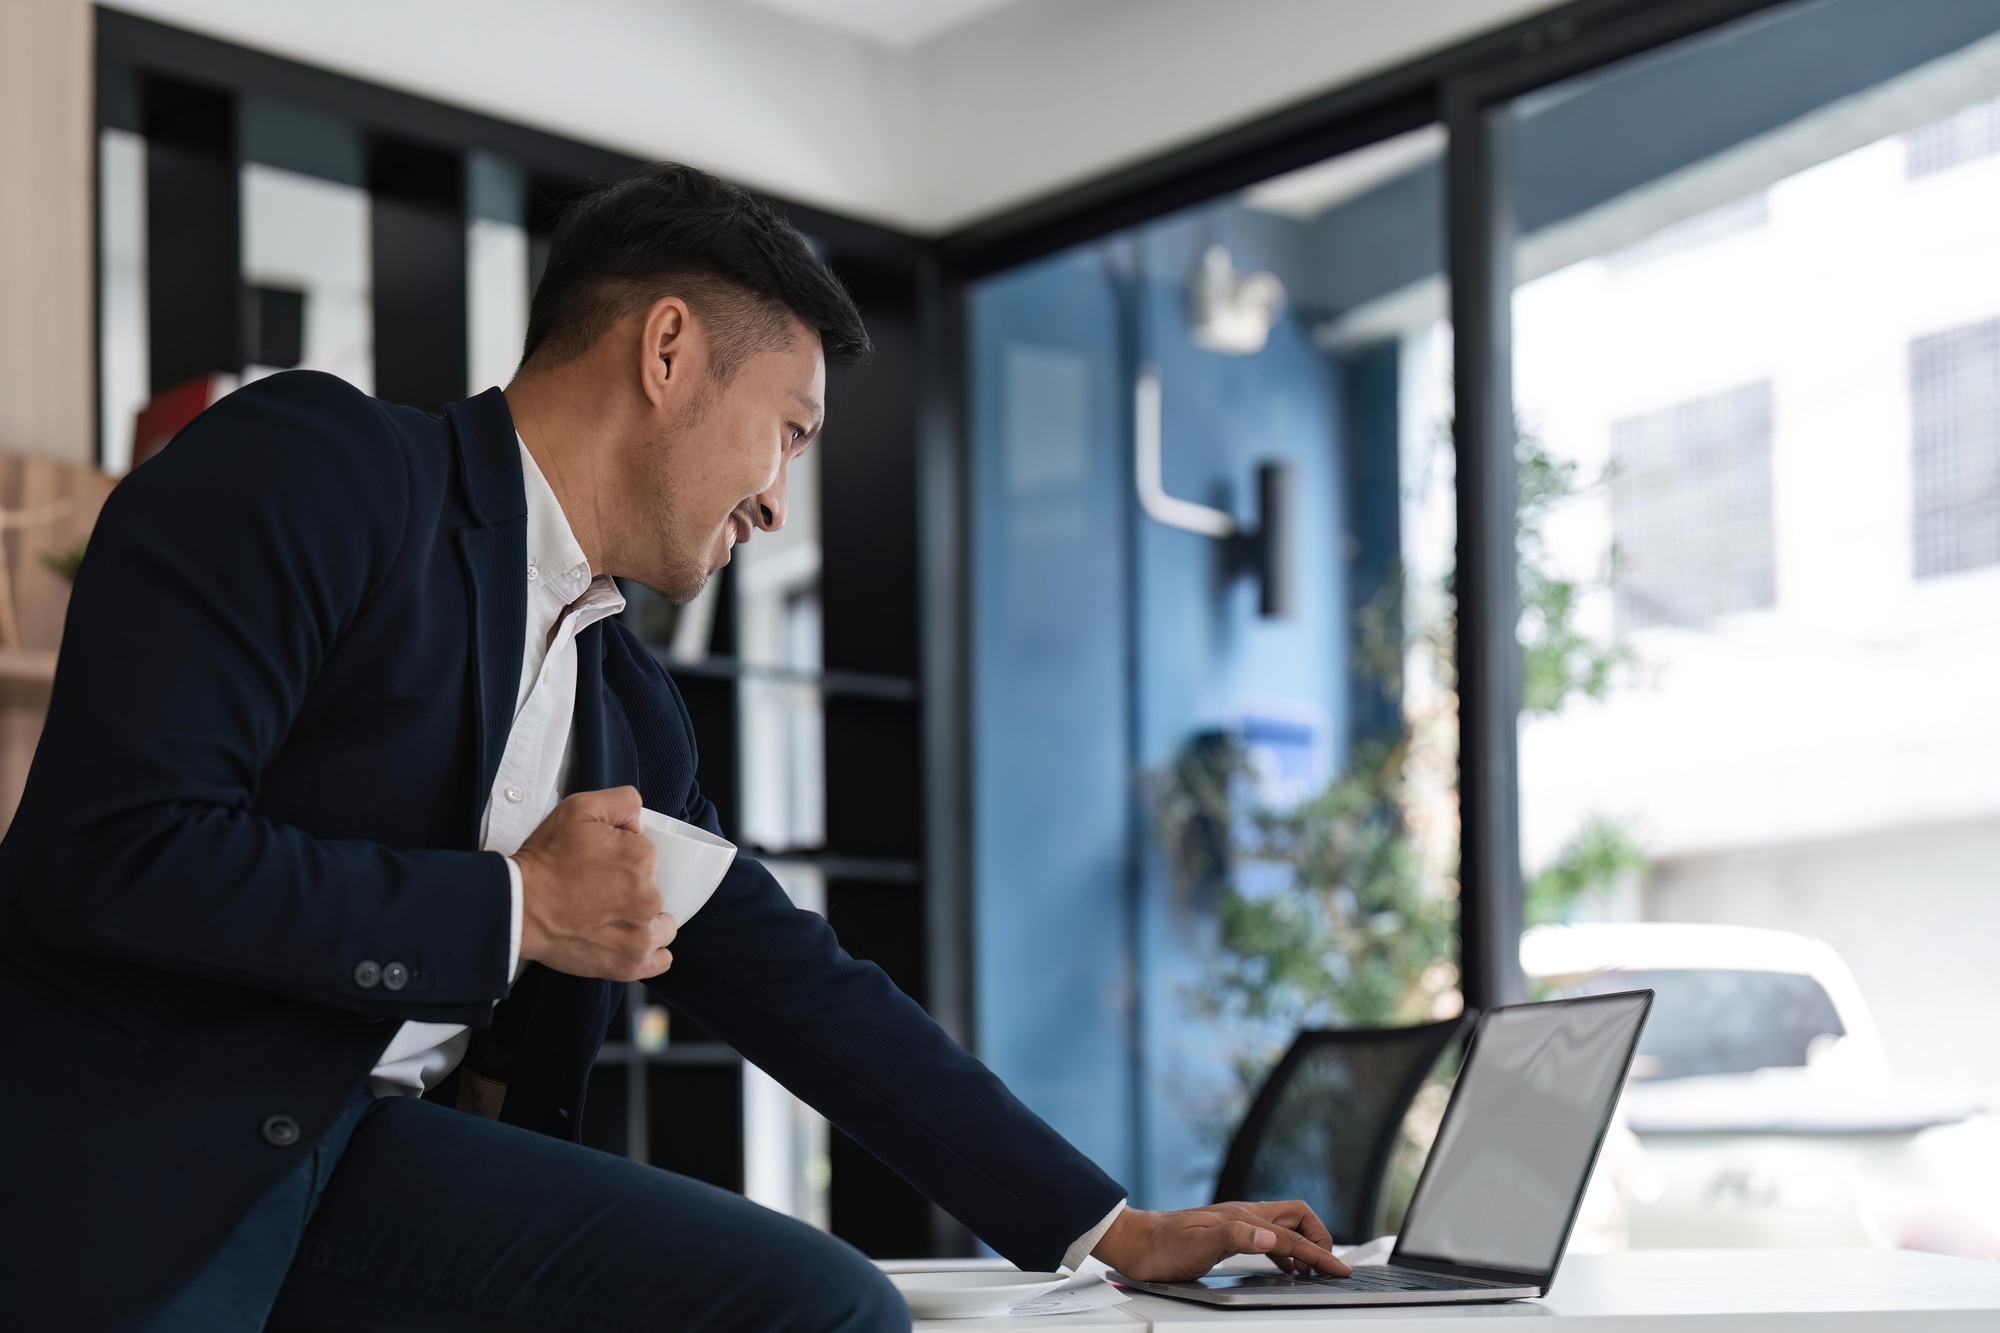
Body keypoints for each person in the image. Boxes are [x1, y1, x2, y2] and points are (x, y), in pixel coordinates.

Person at [0, 163, 1346, 1331]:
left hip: (372, 1171)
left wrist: (1110, 1226)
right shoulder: (326, 469)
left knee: (815, 1301)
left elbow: (803, 986)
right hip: (140, 1169)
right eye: (789, 430)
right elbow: (113, 849)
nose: (777, 496)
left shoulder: (624, 703)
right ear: (666, 352)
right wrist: (518, 907)